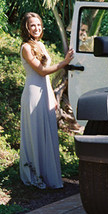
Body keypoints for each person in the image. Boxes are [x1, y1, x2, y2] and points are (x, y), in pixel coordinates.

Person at [19, 12, 74, 189]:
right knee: (35, 132)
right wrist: (64, 63)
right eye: (32, 25)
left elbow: (46, 79)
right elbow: (42, 71)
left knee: (47, 132)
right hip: (33, 94)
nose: (36, 28)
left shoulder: (40, 45)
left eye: (39, 25)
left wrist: (52, 96)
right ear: (26, 28)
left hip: (45, 91)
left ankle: (48, 175)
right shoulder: (26, 47)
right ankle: (34, 175)